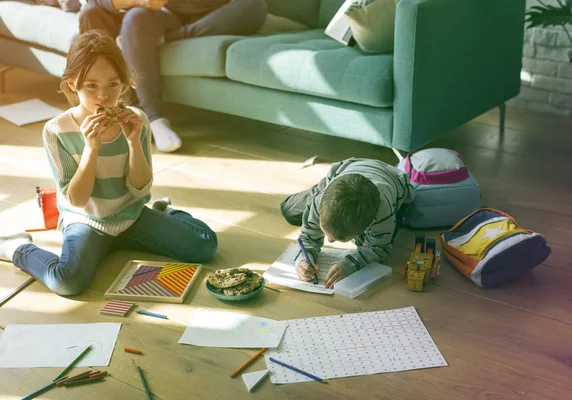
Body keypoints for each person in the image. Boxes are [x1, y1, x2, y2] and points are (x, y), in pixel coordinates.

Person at [0, 30, 218, 296]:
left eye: (113, 84)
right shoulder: (57, 131)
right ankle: (19, 248)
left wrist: (134, 142)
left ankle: (167, 212)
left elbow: (140, 189)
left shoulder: (136, 119)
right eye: (91, 85)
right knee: (67, 283)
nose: (103, 96)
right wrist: (91, 149)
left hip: (131, 214)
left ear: (124, 83)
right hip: (86, 221)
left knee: (205, 247)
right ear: (72, 84)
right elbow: (78, 200)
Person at [79, 0, 268, 153]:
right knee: (112, 14)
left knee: (255, 5)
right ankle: (147, 116)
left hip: (211, 11)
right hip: (157, 15)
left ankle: (168, 38)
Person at [280, 158, 415, 289]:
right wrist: (303, 259)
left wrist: (348, 265)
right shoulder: (320, 200)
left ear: (370, 224)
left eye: (339, 239)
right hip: (344, 171)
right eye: (326, 230)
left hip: (392, 180)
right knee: (289, 211)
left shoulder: (384, 212)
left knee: (370, 243)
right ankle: (323, 186)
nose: (330, 240)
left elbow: (378, 249)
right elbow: (307, 238)